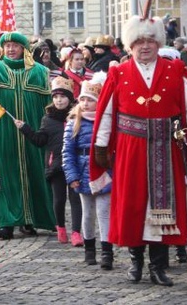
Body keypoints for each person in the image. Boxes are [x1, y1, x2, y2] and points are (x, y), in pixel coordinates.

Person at [89, 10, 187, 287]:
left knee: (164, 208)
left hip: (165, 149)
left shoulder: (174, 70)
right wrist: (101, 146)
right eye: (139, 42)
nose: (145, 47)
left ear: (158, 44)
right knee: (134, 206)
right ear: (130, 46)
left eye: (150, 42)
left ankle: (158, 266)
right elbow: (106, 112)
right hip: (131, 149)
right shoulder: (118, 73)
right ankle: (136, 262)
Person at [0, 32, 55, 239]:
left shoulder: (39, 72)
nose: (11, 49)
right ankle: (7, 221)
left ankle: (31, 219)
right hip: (2, 132)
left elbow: (49, 105)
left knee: (33, 173)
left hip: (32, 132)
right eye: (7, 45)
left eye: (15, 46)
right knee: (6, 174)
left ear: (24, 49)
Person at [15, 76, 82, 247]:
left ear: (70, 98)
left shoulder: (77, 116)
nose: (59, 100)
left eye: (63, 96)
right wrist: (25, 129)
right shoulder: (48, 119)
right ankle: (60, 227)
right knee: (59, 199)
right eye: (56, 97)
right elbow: (39, 141)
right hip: (56, 165)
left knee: (75, 199)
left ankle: (76, 233)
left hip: (75, 164)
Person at [64, 73, 113, 268]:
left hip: (102, 171)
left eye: (90, 100)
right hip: (82, 171)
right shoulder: (73, 122)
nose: (85, 103)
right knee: (88, 213)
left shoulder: (105, 121)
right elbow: (67, 152)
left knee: (104, 213)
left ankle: (107, 252)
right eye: (82, 99)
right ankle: (89, 249)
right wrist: (72, 175)